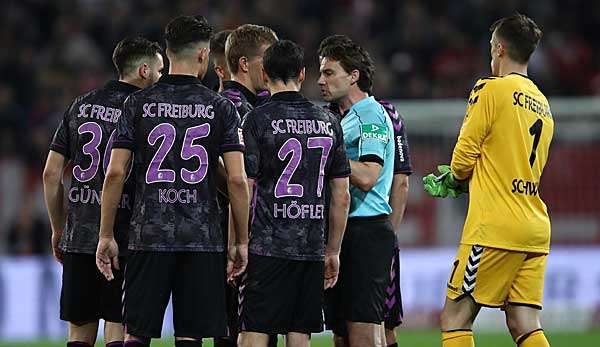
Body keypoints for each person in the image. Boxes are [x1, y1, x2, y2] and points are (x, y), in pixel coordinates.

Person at [95, 15, 250, 347]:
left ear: (168, 51)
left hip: (147, 235)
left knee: (136, 332)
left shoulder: (136, 103)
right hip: (202, 238)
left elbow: (116, 172)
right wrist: (241, 242)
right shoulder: (220, 107)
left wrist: (106, 234)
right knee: (190, 335)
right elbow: (238, 181)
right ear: (202, 55)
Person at [426, 13, 553, 347]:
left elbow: (463, 155)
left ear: (498, 49)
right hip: (534, 226)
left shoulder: (490, 90)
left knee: (455, 317)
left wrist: (453, 178)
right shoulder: (543, 104)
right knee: (523, 320)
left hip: (495, 226)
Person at [42, 36, 163, 347]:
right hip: (124, 237)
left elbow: (51, 174)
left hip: (79, 235)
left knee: (79, 331)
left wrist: (59, 229)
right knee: (117, 327)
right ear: (144, 70)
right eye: (160, 72)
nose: (162, 78)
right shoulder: (145, 111)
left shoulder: (80, 105)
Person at [237, 39, 351, 347]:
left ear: (263, 74)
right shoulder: (328, 122)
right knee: (300, 334)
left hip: (267, 247)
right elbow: (341, 195)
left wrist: (239, 242)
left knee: (254, 331)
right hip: (311, 247)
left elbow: (245, 188)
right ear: (302, 74)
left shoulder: (257, 119)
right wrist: (333, 250)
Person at [322, 36, 413, 347]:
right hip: (345, 230)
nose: (321, 80)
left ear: (353, 75)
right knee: (343, 333)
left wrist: (324, 160)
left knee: (363, 330)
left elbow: (368, 175)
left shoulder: (370, 115)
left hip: (365, 230)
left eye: (329, 72)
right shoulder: (343, 117)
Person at [213, 23, 278, 347]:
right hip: (234, 235)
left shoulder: (262, 104)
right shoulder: (230, 107)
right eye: (267, 58)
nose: (273, 66)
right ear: (243, 64)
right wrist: (250, 192)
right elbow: (218, 168)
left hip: (256, 236)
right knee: (238, 330)